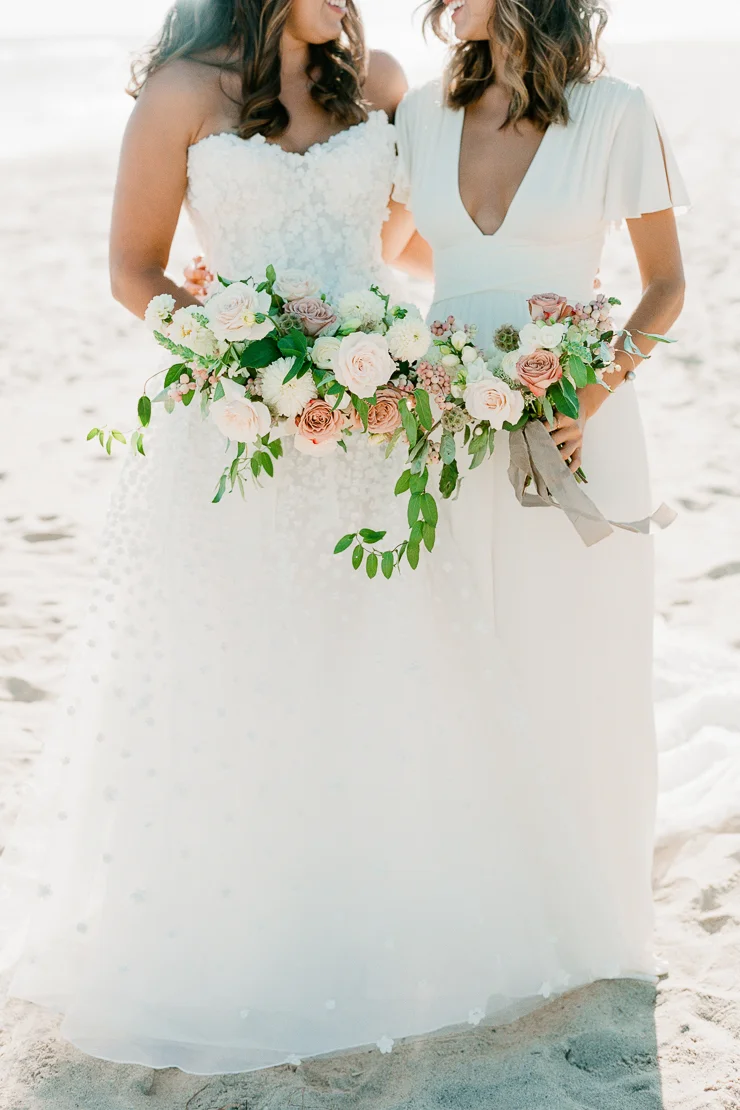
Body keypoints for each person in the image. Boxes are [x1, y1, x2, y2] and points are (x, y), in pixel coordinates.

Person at [0, 0, 573, 1077]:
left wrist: (383, 338)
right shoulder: (181, 92)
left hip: (370, 421)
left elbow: (399, 245)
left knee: (379, 659)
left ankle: (381, 914)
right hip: (235, 429)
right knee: (242, 667)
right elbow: (133, 270)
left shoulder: (381, 80)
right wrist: (243, 358)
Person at [385, 0, 688, 1009]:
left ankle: (586, 916)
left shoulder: (615, 111)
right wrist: (470, 317)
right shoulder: (422, 114)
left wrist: (581, 394)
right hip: (449, 426)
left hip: (577, 426)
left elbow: (664, 288)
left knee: (576, 663)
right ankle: (474, 905)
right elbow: (406, 251)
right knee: (461, 656)